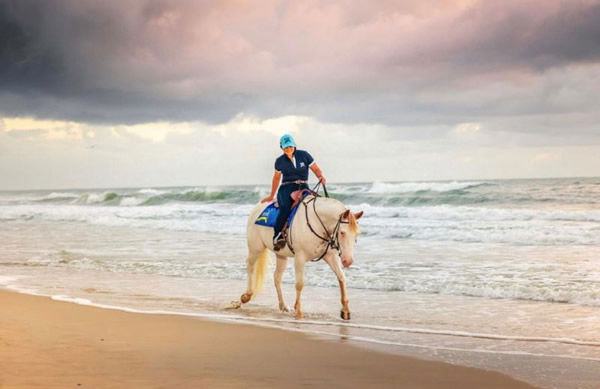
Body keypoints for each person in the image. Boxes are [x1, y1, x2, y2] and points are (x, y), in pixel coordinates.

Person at [261, 134, 326, 251]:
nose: (288, 149)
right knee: (285, 207)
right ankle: (277, 235)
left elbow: (315, 169)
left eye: (290, 146)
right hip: (286, 187)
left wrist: (320, 176)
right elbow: (276, 178)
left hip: (303, 186)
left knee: (313, 205)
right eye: (286, 147)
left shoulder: (304, 155)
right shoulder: (279, 161)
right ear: (282, 148)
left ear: (294, 145)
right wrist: (272, 195)